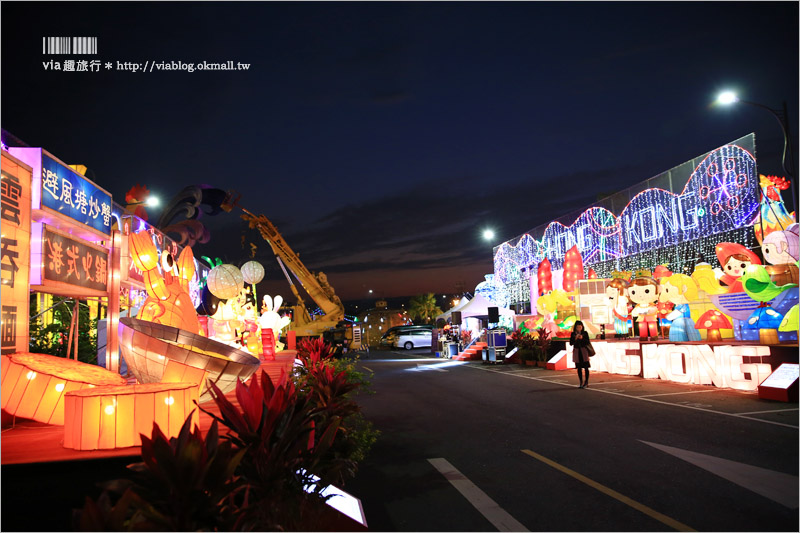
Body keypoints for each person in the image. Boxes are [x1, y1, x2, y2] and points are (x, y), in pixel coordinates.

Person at [570, 321, 592, 388]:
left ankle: (586, 382)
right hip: (577, 351)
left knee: (586, 367)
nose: (579, 328)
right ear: (575, 328)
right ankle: (581, 382)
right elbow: (571, 343)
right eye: (577, 327)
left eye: (580, 327)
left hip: (584, 351)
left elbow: (587, 342)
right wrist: (575, 338)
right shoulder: (573, 334)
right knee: (579, 368)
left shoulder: (585, 333)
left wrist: (582, 338)